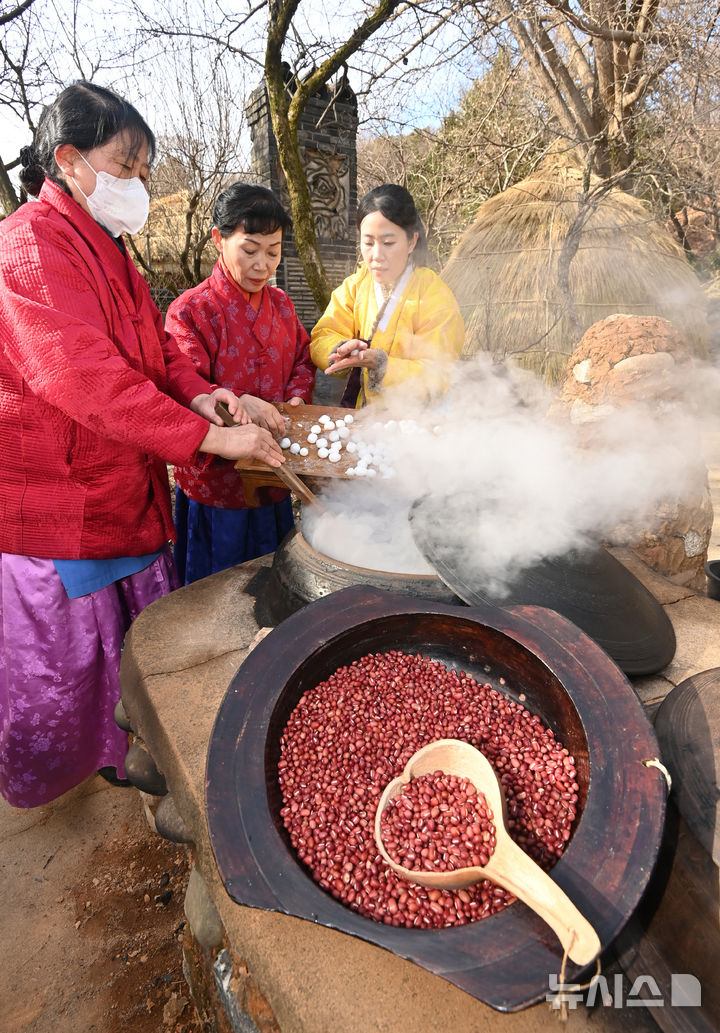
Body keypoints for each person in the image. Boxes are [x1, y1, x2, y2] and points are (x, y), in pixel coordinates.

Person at [0, 81, 285, 809]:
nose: (140, 185)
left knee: (125, 645)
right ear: (69, 160)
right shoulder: (29, 244)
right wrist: (207, 438)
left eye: (145, 171)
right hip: (62, 496)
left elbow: (154, 348)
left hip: (122, 484)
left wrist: (196, 392)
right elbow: (85, 376)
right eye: (128, 166)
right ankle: (64, 778)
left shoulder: (109, 247)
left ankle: (126, 753)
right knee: (68, 666)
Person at [165, 183, 315, 585]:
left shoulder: (282, 304)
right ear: (219, 238)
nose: (263, 265)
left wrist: (296, 402)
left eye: (274, 251)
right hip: (219, 483)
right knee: (218, 589)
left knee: (275, 581)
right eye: (250, 250)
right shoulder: (191, 311)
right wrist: (242, 402)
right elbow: (185, 386)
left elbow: (303, 359)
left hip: (274, 472)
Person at [310, 184, 464, 407]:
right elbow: (324, 333)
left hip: (415, 421)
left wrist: (382, 366)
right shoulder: (354, 286)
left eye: (388, 243)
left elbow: (440, 371)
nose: (376, 255)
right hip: (363, 416)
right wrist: (341, 349)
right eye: (368, 243)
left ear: (412, 241)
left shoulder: (433, 294)